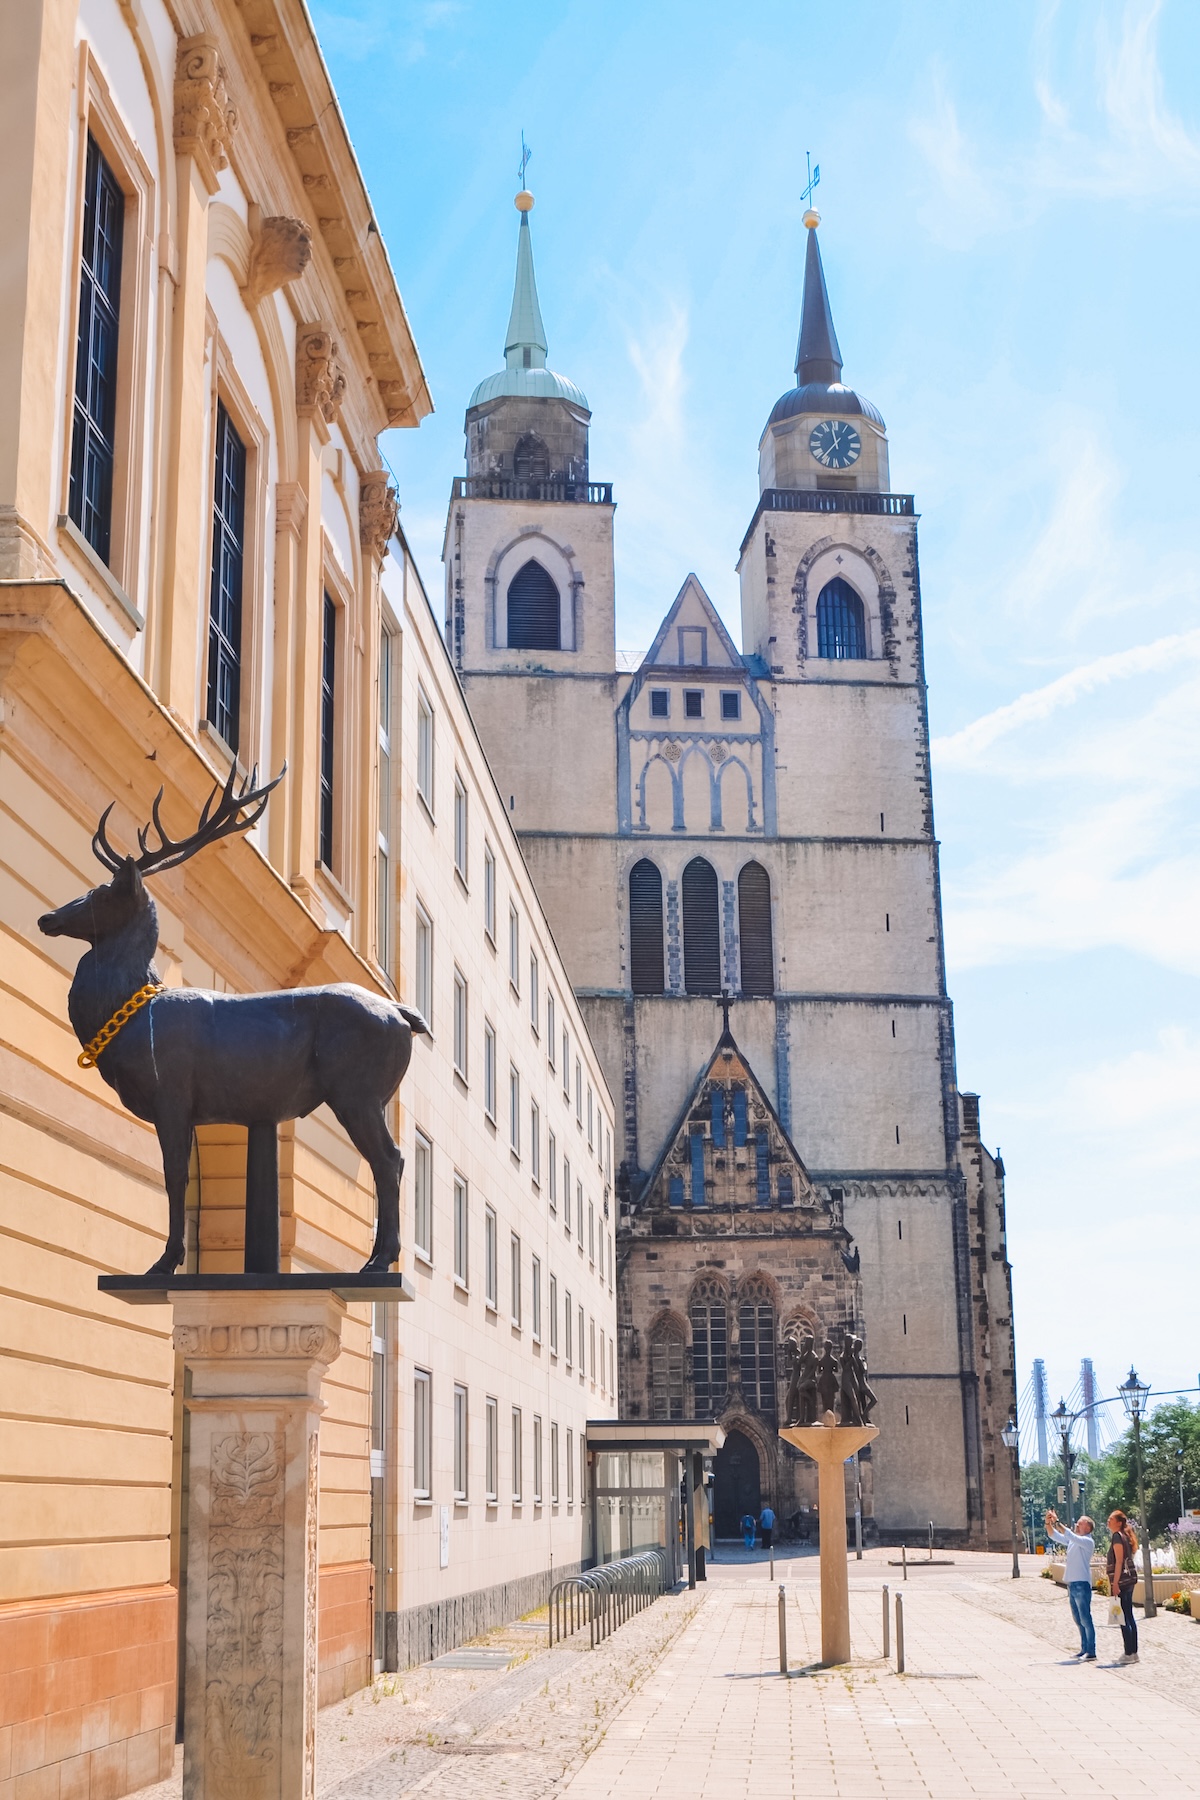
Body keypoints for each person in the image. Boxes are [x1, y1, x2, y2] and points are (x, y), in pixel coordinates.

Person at [1045, 1509, 1097, 1660]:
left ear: (1087, 1527)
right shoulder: (1074, 1541)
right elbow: (1054, 1535)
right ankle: (1084, 1648)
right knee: (1078, 1619)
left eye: (1080, 1523)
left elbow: (1069, 1534)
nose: (1077, 1525)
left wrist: (1057, 1521)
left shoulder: (1087, 1541)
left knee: (1086, 1618)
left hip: (1082, 1583)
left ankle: (1091, 1650)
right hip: (1072, 1584)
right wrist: (1048, 1522)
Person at [1107, 1510, 1139, 1663]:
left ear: (1119, 1522)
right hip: (1130, 1579)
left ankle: (1128, 1653)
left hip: (1122, 1581)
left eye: (1111, 1519)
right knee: (1129, 1615)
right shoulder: (1125, 1536)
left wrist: (1115, 1583)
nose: (1108, 1520)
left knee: (1124, 1618)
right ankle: (1133, 1652)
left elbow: (1119, 1561)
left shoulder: (1117, 1537)